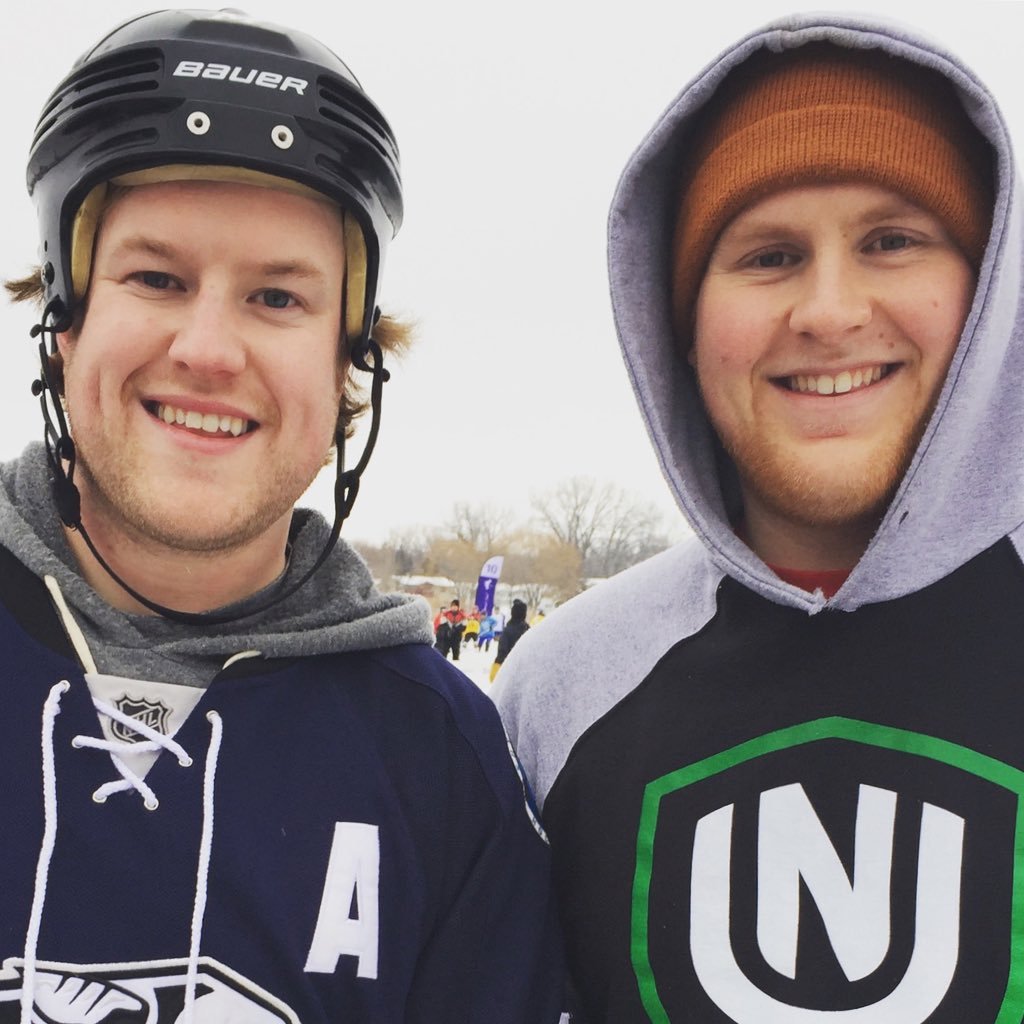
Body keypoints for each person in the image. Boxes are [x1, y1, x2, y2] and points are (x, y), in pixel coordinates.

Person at [0, 9, 565, 1022]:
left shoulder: (441, 757)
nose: (210, 349)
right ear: (63, 322)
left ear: (350, 364)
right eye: (156, 278)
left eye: (276, 298)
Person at [494, 12, 1022, 1021]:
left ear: (989, 291)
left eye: (892, 240)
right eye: (769, 256)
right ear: (680, 325)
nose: (828, 311)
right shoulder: (558, 695)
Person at [490, 599, 530, 683]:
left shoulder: (508, 630)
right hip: (525, 669)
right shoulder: (529, 630)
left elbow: (502, 651)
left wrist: (496, 666)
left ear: (512, 613)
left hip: (508, 669)